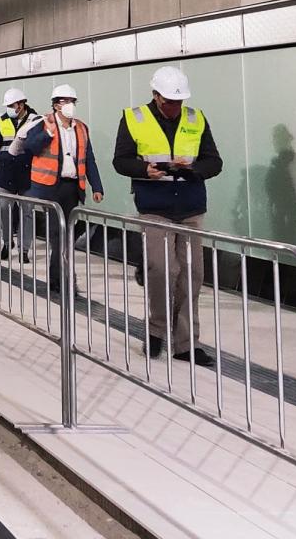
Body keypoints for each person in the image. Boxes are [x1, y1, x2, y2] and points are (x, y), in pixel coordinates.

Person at [113, 66, 222, 367]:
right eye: (170, 102)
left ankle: (187, 343)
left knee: (191, 275)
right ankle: (157, 331)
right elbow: (120, 160)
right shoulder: (134, 118)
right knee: (161, 270)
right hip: (154, 206)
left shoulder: (195, 118)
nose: (175, 108)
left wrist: (194, 171)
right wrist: (143, 170)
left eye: (179, 102)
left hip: (190, 207)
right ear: (156, 96)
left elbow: (215, 161)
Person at [19, 84, 104, 296]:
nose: (69, 105)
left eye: (72, 101)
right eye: (65, 101)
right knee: (58, 235)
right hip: (49, 187)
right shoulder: (42, 123)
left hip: (72, 187)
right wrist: (47, 133)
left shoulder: (81, 128)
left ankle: (58, 280)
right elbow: (30, 148)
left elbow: (89, 158)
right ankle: (63, 280)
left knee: (66, 235)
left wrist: (97, 186)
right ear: (56, 104)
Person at [0, 88, 41, 262]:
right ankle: (7, 243)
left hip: (27, 173)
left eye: (11, 105)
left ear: (21, 105)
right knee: (4, 210)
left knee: (27, 212)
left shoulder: (35, 120)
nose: (8, 108)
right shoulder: (2, 120)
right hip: (5, 172)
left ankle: (24, 250)